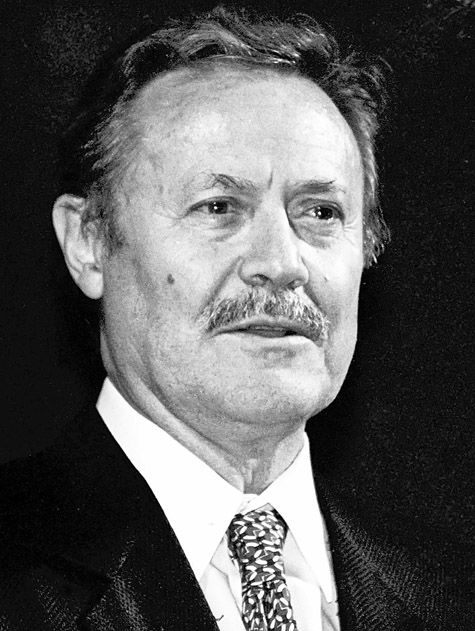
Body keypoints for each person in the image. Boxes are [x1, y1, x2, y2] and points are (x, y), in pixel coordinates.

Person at [0, 6, 464, 631]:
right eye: (219, 206)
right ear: (88, 243)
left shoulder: (449, 591)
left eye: (320, 212)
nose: (281, 263)